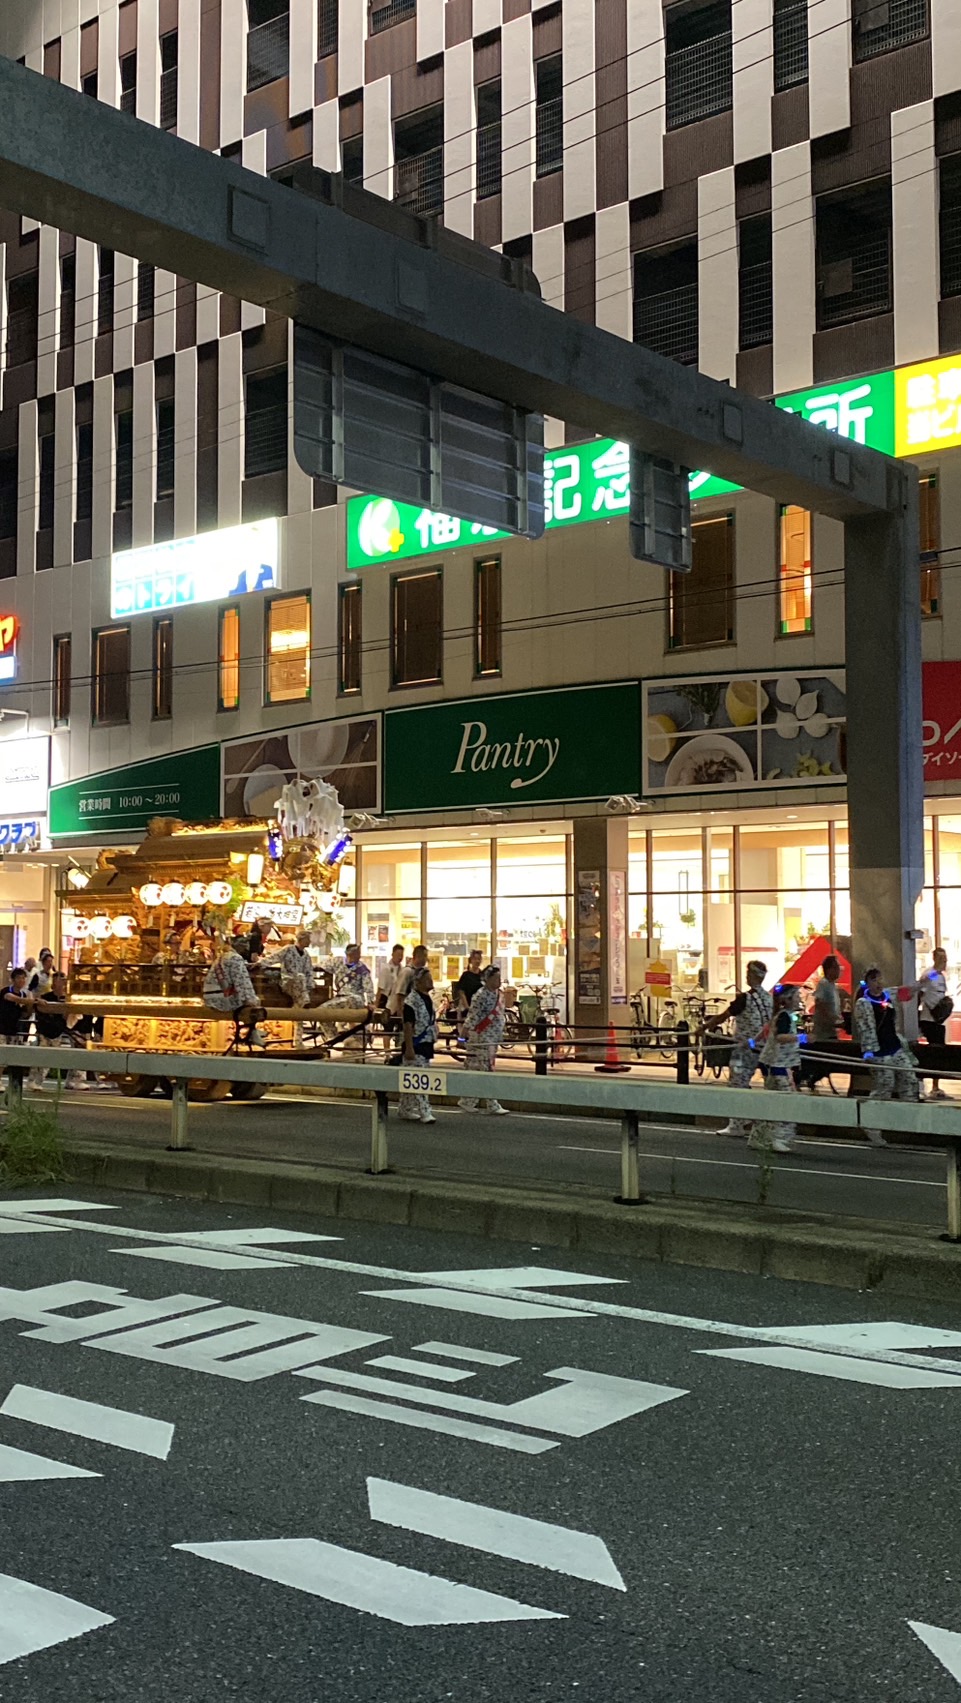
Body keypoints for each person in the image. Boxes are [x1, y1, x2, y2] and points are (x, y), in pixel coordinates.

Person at [854, 967, 919, 1146]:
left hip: (895, 1046)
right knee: (884, 1086)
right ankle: (872, 1124)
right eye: (874, 980)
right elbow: (865, 1029)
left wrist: (925, 980)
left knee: (909, 1078)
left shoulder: (888, 995)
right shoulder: (863, 1003)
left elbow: (907, 992)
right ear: (867, 983)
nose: (878, 983)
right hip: (879, 1051)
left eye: (880, 979)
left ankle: (908, 1119)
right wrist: (869, 1052)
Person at [708, 961, 773, 1138]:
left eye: (748, 972)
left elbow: (723, 1016)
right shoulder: (769, 998)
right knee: (767, 1085)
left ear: (753, 976)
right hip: (764, 1048)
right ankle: (753, 1119)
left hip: (743, 1049)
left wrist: (705, 1027)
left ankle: (736, 1124)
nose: (746, 976)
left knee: (737, 1084)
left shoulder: (744, 998)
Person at [751, 983, 803, 1154]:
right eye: (797, 996)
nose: (800, 999)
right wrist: (802, 1038)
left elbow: (766, 1030)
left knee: (771, 1101)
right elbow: (780, 1037)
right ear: (788, 1000)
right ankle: (779, 1138)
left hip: (771, 1063)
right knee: (788, 1101)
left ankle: (758, 1137)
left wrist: (752, 1042)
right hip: (778, 1064)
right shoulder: (784, 1017)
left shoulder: (781, 1015)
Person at [458, 964, 509, 1115]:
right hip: (481, 1038)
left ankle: (467, 1101)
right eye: (496, 978)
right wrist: (462, 1037)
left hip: (493, 1038)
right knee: (486, 1070)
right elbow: (472, 1017)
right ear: (488, 979)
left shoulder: (498, 994)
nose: (498, 980)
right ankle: (492, 1104)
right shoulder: (480, 995)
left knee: (478, 1070)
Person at [202, 939, 268, 1047]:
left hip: (212, 996)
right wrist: (252, 1000)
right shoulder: (235, 958)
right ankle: (252, 1033)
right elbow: (242, 982)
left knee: (248, 1000)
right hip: (222, 999)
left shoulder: (223, 956)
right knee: (252, 1005)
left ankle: (253, 1031)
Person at [31, 972, 86, 1090]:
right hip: (45, 1030)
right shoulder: (45, 997)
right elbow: (38, 1009)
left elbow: (69, 1017)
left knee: (52, 1058)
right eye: (59, 981)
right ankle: (34, 1081)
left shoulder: (67, 998)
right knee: (42, 1057)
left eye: (63, 981)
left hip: (59, 1030)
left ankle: (72, 1080)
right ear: (53, 983)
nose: (62, 984)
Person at [398, 966, 437, 1124]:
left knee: (411, 1078)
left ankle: (405, 1109)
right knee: (420, 1079)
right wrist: (409, 1048)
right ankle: (425, 1111)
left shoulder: (427, 999)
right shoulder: (411, 1001)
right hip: (415, 1044)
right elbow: (408, 1025)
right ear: (418, 982)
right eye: (427, 979)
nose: (431, 981)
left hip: (426, 1043)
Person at [801, 954, 844, 1093]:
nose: (839, 970)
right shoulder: (824, 984)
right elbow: (820, 1003)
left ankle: (813, 1079)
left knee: (829, 1059)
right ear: (829, 969)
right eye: (836, 967)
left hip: (831, 1029)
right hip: (824, 1031)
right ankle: (810, 1078)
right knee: (827, 1058)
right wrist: (832, 1019)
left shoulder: (832, 986)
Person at [918, 947, 952, 1101]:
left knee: (939, 1051)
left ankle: (935, 1085)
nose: (944, 962)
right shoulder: (930, 974)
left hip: (938, 1020)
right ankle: (927, 1084)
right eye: (941, 959)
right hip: (928, 1019)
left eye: (945, 959)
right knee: (933, 1051)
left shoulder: (941, 977)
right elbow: (921, 988)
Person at [267, 929, 316, 1008]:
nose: (309, 941)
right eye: (307, 939)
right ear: (301, 939)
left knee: (302, 980)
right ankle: (305, 1002)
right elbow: (274, 958)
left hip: (302, 984)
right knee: (300, 978)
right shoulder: (288, 949)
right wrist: (259, 963)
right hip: (288, 981)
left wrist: (310, 984)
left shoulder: (306, 955)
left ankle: (300, 1006)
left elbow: (309, 971)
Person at [376, 943, 407, 1057]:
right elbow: (380, 988)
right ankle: (387, 1054)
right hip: (387, 1001)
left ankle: (398, 1053)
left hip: (399, 1001)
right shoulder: (386, 969)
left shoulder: (403, 970)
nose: (400, 957)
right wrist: (376, 1005)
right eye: (398, 954)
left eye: (401, 955)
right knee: (388, 1028)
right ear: (392, 954)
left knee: (400, 1028)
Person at [0, 968, 32, 1043]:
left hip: (14, 1030)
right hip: (2, 1029)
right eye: (18, 978)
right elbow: (14, 998)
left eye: (23, 978)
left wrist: (30, 1006)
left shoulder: (23, 995)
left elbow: (25, 1013)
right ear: (13, 979)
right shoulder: (6, 990)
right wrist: (32, 1000)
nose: (21, 980)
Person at [453, 950, 484, 1019]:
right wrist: (467, 1007)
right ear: (471, 960)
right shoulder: (466, 975)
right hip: (468, 1006)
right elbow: (461, 992)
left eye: (479, 959)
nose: (477, 961)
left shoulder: (483, 975)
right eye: (475, 959)